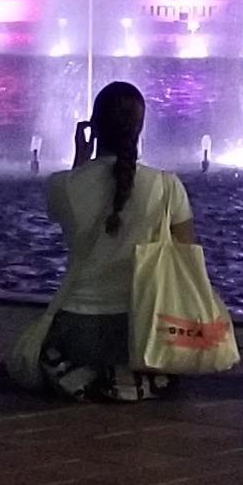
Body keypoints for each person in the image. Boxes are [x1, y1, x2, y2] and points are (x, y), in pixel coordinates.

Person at [41, 80, 194, 402]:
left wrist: (81, 161)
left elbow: (69, 209)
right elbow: (187, 260)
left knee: (33, 357)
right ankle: (132, 377)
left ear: (93, 128)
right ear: (140, 128)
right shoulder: (166, 186)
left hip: (77, 329)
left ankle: (82, 374)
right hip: (143, 330)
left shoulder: (61, 185)